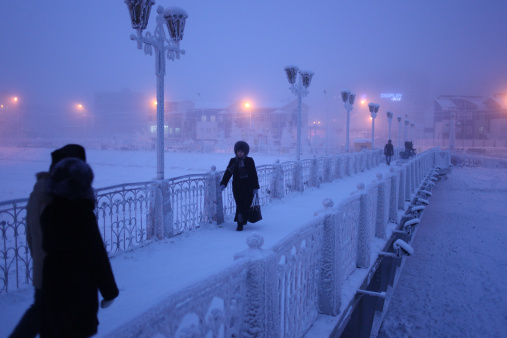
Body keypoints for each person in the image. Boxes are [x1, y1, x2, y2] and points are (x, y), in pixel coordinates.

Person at [9, 144, 87, 338]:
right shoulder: (57, 195)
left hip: (46, 267)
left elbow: (31, 233)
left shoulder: (40, 192)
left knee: (44, 312)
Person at [39, 157, 119, 337]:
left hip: (52, 285)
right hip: (78, 287)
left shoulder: (49, 211)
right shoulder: (81, 215)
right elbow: (96, 255)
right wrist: (109, 291)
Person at [220, 141, 260, 231]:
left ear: (245, 152)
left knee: (246, 205)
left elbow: (254, 174)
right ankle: (240, 223)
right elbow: (228, 173)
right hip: (237, 187)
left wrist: (255, 187)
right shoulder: (233, 161)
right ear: (236, 152)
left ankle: (243, 219)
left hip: (248, 187)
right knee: (240, 205)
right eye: (238, 151)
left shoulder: (249, 161)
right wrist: (223, 183)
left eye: (241, 151)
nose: (240, 153)